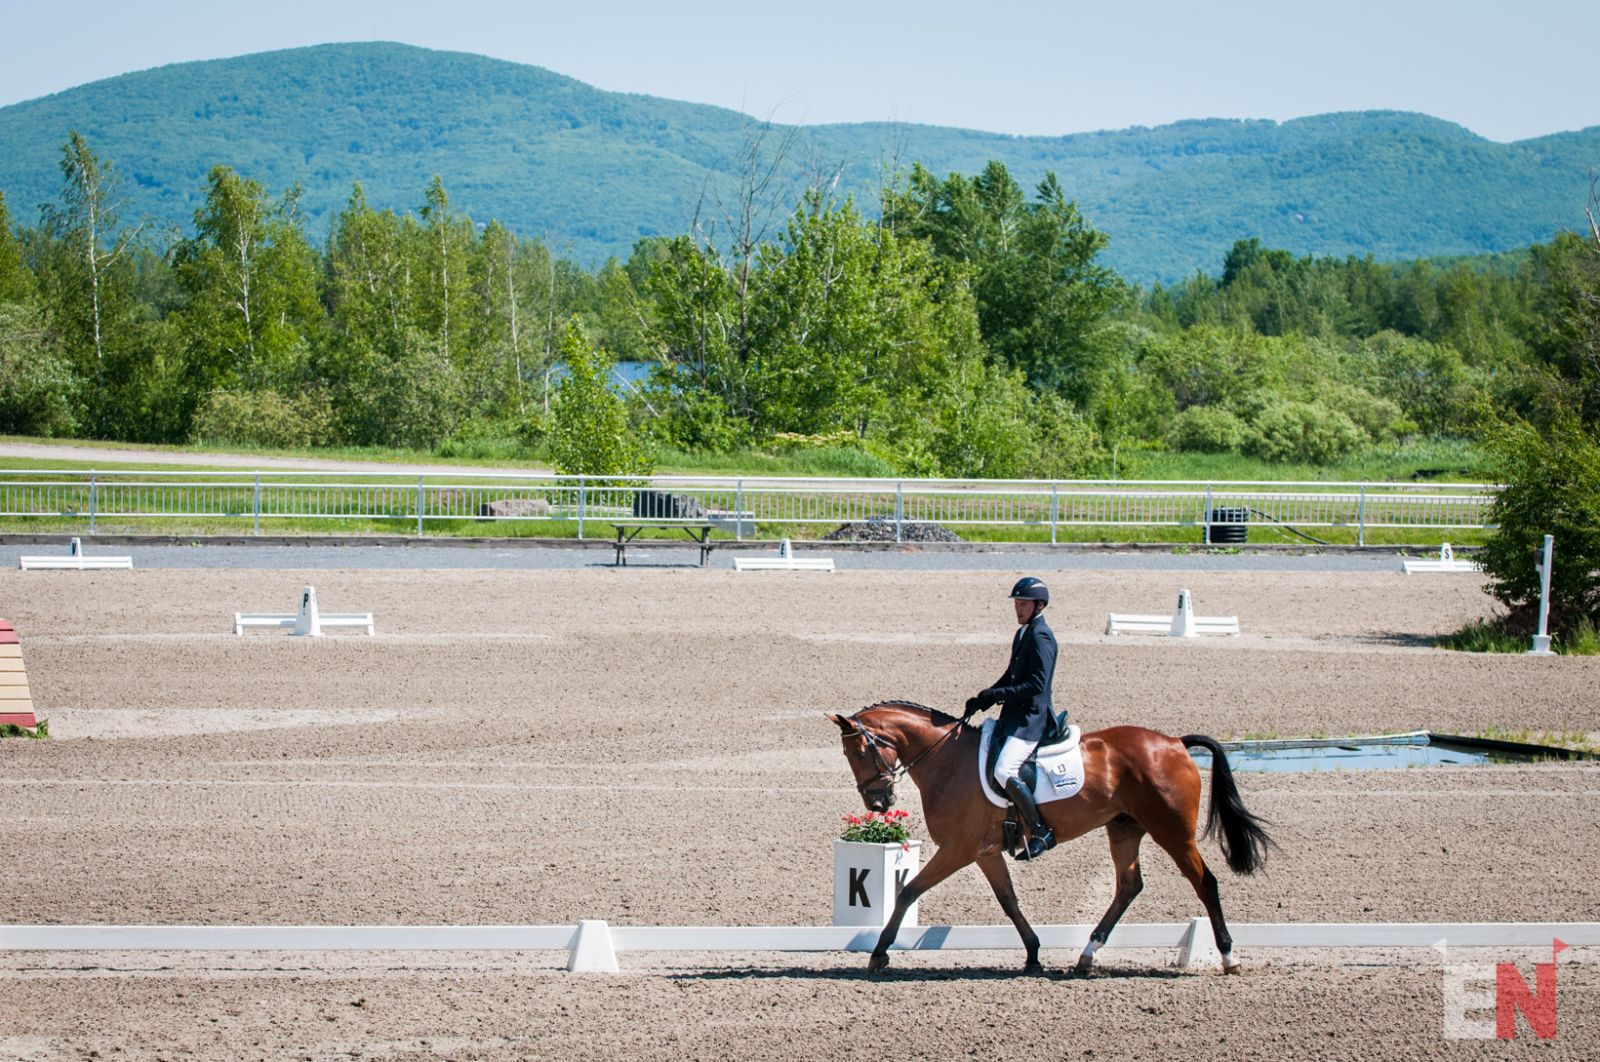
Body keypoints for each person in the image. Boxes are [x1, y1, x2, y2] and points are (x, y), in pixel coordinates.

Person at [964, 576, 1058, 860]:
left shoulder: (1041, 636)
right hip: (1014, 713)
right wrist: (986, 696)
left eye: (1023, 604)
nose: (1018, 609)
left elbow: (1036, 685)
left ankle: (1041, 830)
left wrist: (998, 695)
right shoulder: (1023, 633)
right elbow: (1012, 675)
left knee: (1004, 770)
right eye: (1016, 603)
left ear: (1038, 605)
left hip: (1032, 719)